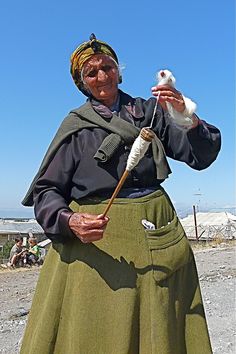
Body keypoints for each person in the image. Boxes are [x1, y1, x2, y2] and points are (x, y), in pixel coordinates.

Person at [20, 34, 221, 354]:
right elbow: (47, 191)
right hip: (96, 245)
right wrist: (69, 221)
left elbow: (201, 156)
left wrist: (186, 116)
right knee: (96, 332)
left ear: (119, 70)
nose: (102, 76)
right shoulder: (75, 126)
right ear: (82, 82)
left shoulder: (151, 112)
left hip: (155, 231)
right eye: (91, 72)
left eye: (108, 67)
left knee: (160, 328)